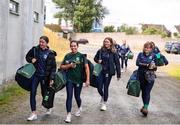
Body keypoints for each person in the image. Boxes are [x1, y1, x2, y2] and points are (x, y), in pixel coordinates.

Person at [26, 36, 57, 121]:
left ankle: (48, 106)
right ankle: (33, 113)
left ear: (47, 43)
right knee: (32, 92)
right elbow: (27, 57)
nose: (41, 44)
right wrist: (31, 59)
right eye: (40, 42)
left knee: (44, 94)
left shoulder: (51, 53)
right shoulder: (35, 49)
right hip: (35, 76)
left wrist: (52, 78)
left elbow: (53, 68)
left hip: (45, 77)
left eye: (43, 42)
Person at [60, 40, 90, 123]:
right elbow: (61, 67)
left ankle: (80, 107)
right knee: (69, 96)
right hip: (69, 79)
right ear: (70, 47)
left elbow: (87, 68)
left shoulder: (81, 56)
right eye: (72, 46)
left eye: (75, 46)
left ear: (77, 46)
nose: (73, 47)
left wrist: (87, 80)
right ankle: (68, 114)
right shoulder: (67, 56)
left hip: (78, 80)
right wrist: (69, 65)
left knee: (77, 96)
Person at [94, 37, 121, 111]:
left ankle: (104, 103)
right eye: (105, 42)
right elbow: (95, 58)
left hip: (108, 72)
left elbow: (117, 64)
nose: (106, 43)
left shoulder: (114, 52)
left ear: (111, 43)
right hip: (100, 71)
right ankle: (103, 96)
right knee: (99, 87)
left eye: (108, 42)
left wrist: (118, 74)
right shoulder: (100, 50)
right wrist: (98, 61)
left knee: (105, 87)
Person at [136, 41, 157, 117]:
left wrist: (154, 67)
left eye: (148, 48)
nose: (147, 49)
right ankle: (144, 106)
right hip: (141, 75)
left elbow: (156, 67)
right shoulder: (140, 54)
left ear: (151, 49)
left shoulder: (154, 55)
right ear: (144, 47)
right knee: (144, 92)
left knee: (147, 91)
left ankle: (145, 108)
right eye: (145, 47)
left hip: (150, 76)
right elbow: (137, 63)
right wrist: (146, 65)